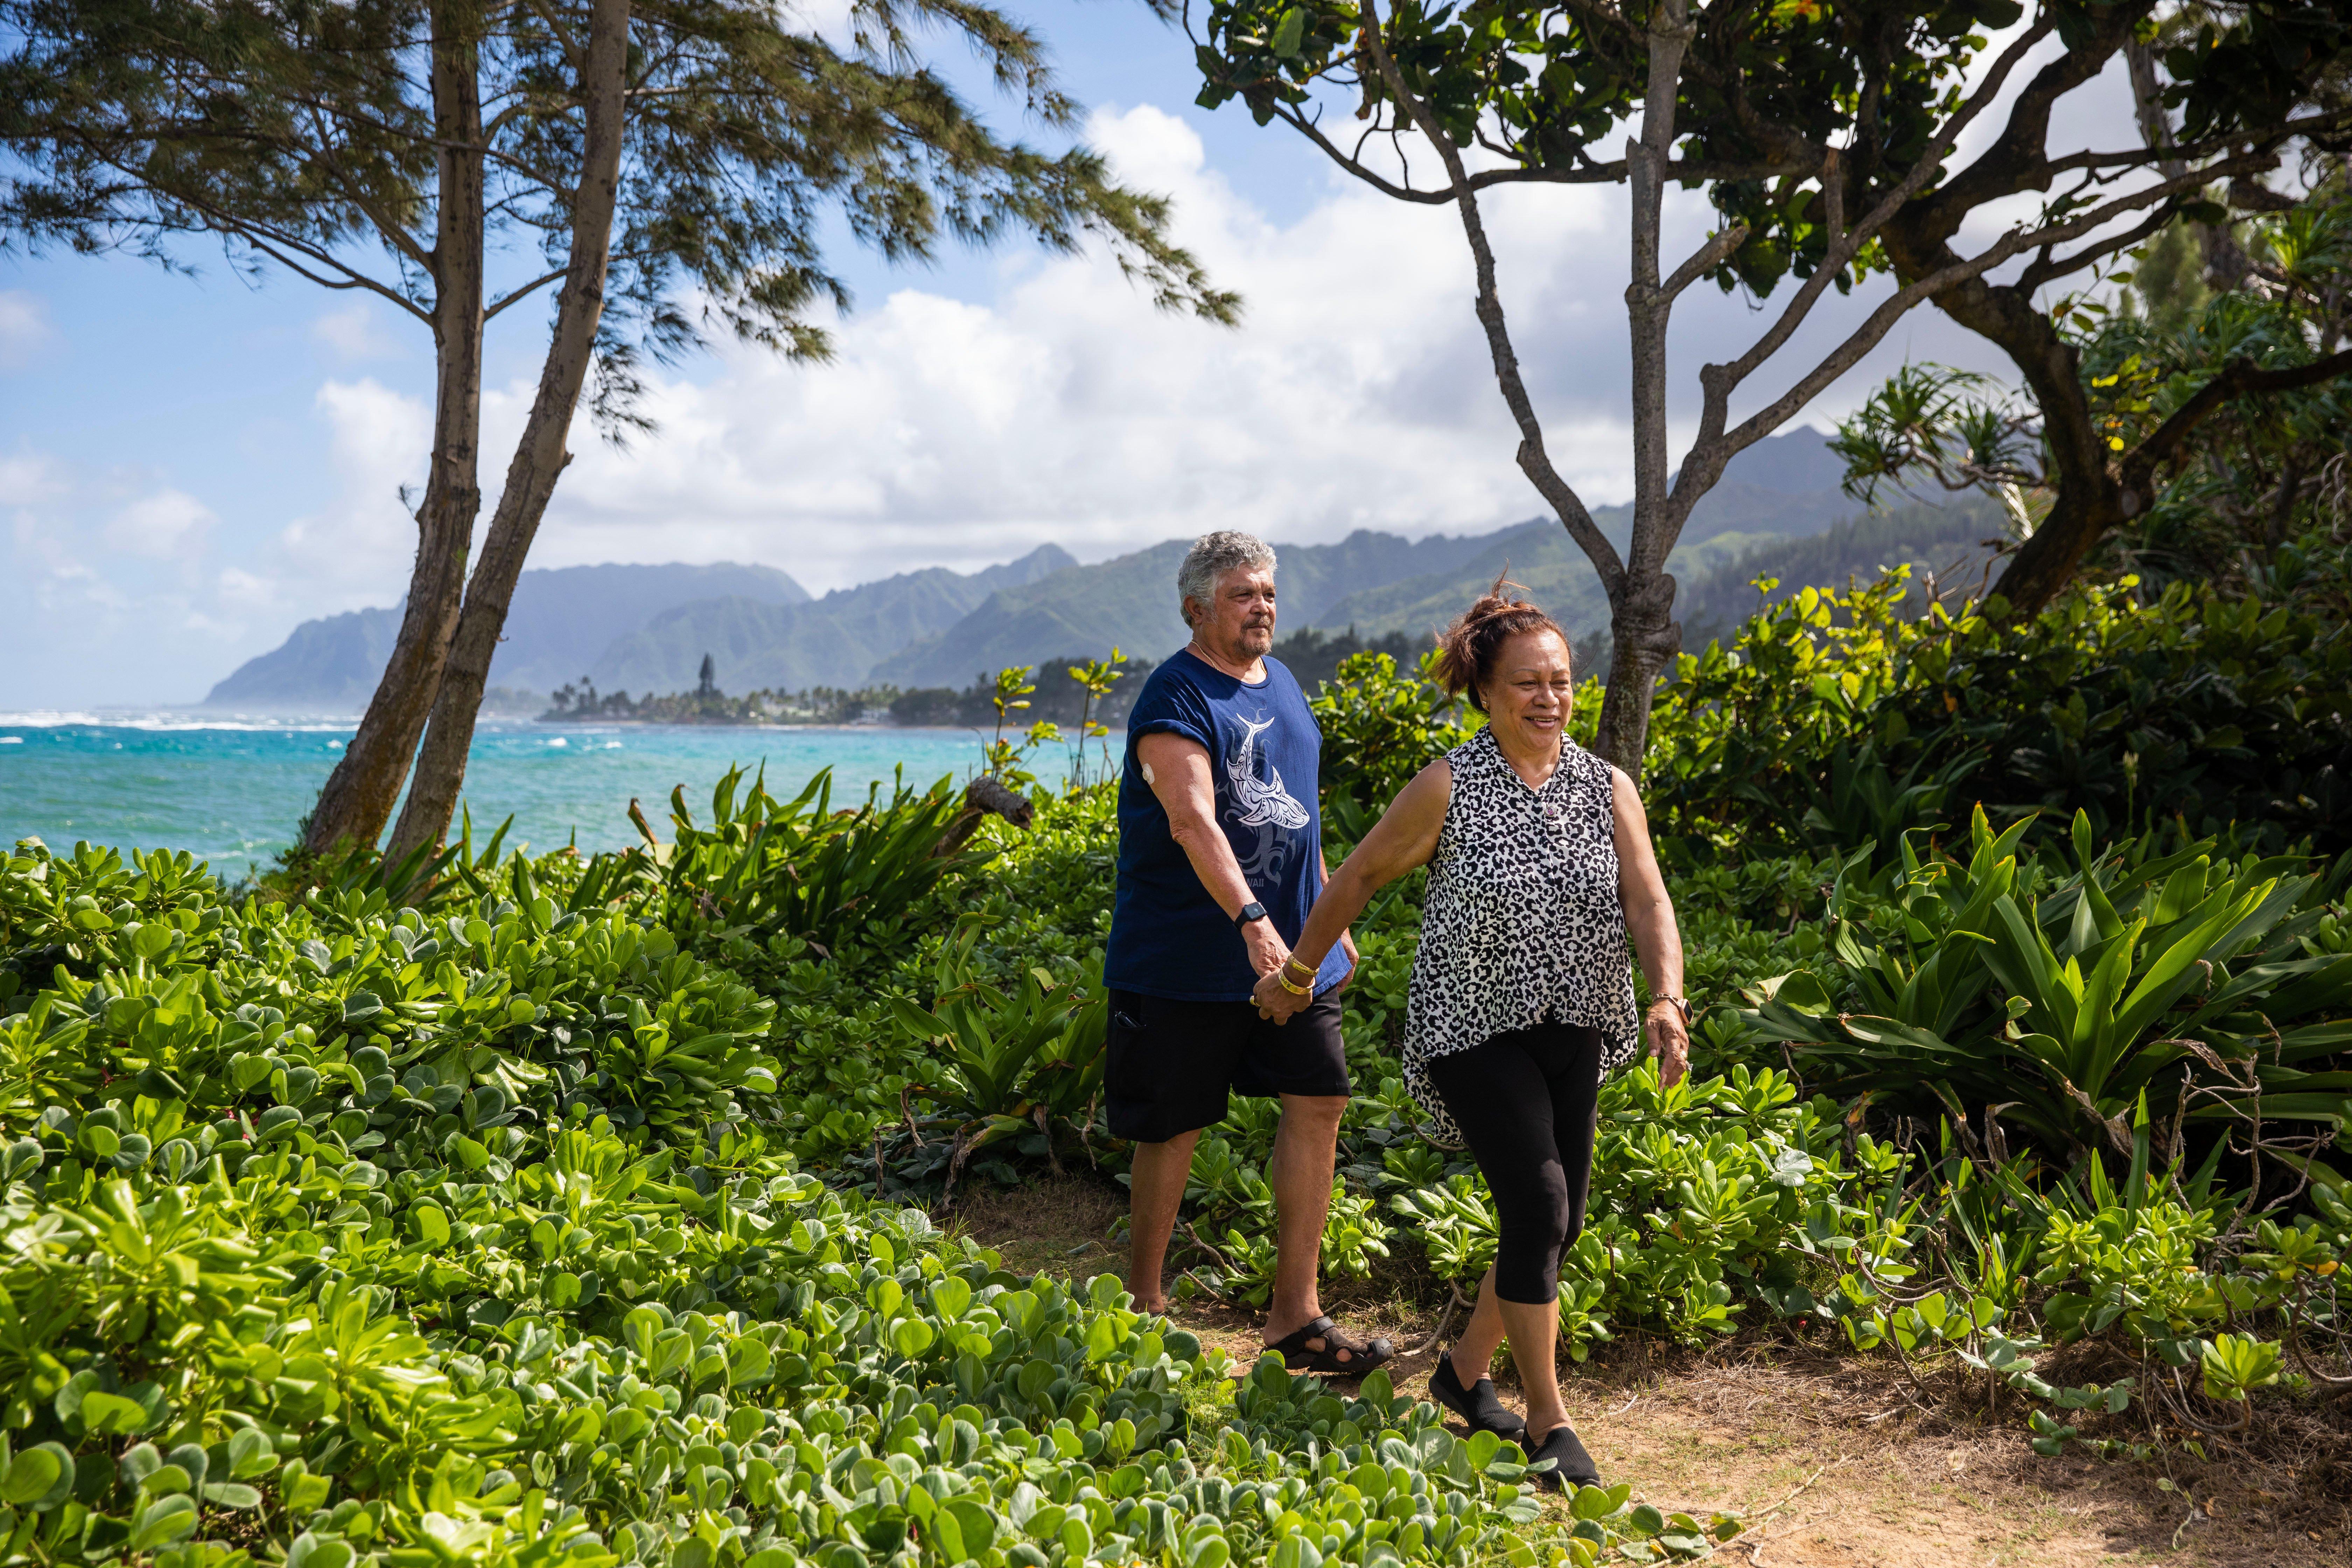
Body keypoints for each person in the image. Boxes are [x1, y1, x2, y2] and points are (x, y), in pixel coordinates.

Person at [1251, 579, 1690, 1490]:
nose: (1549, 699)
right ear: (1487, 691)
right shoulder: (1449, 783)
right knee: (1537, 1209)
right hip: (1472, 1030)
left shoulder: (1607, 787)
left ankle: (1460, 1376)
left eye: (1562, 681)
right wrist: (1298, 972)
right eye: (1528, 683)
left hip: (1576, 1024)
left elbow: (1647, 896)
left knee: (1555, 1227)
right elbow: (1362, 875)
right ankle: (1551, 1424)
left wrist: (1666, 999)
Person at [1105, 530, 1393, 1376]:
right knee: (1174, 1124)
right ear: (1196, 608)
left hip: (1296, 950)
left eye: (1267, 592)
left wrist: (1329, 902)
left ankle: (1295, 1318)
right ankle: (1145, 1308)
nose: (1262, 606)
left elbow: (1298, 801)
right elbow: (1193, 819)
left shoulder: (1284, 682)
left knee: (1318, 1100)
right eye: (1243, 594)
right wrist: (1255, 921)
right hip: (1188, 955)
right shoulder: (1174, 695)